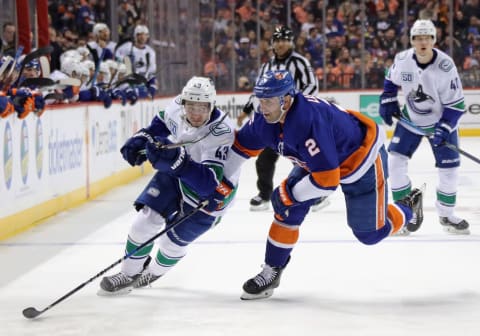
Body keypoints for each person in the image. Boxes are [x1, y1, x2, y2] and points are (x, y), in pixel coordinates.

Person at [226, 69, 424, 300]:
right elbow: (240, 148)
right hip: (320, 162)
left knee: (370, 234)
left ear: (286, 99)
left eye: (268, 100)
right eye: (260, 100)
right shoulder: (264, 118)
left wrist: (290, 194)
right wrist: (221, 183)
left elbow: (326, 181)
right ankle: (273, 270)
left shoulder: (307, 121)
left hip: (361, 161)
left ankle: (408, 207)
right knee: (286, 210)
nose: (262, 107)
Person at [99, 76, 238, 294]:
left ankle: (154, 271)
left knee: (171, 243)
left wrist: (179, 164)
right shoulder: (176, 107)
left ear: (212, 105)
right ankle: (128, 274)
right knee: (144, 222)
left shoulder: (222, 132)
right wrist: (141, 139)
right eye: (191, 105)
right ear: (184, 103)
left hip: (212, 195)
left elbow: (210, 184)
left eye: (202, 107)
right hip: (178, 170)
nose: (196, 113)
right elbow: (160, 125)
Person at [379, 19, 469, 235]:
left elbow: (457, 105)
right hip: (411, 122)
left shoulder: (445, 67)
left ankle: (446, 215)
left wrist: (445, 127)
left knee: (450, 170)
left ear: (433, 40)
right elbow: (390, 80)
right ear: (412, 40)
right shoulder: (402, 59)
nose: (422, 42)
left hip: (440, 123)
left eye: (427, 37)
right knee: (395, 162)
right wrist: (388, 98)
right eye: (418, 38)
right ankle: (403, 213)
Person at [236, 26, 319, 211]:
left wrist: (295, 107)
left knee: (302, 157)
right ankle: (264, 195)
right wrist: (246, 111)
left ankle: (317, 192)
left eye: (285, 40)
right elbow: (259, 92)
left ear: (291, 42)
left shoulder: (301, 62)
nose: (281, 43)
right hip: (273, 121)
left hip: (295, 120)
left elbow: (312, 86)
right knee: (264, 159)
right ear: (272, 43)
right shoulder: (267, 66)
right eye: (277, 40)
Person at [115, 24, 157, 99]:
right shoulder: (125, 48)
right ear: (135, 36)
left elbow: (151, 73)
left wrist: (152, 86)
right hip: (127, 83)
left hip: (142, 85)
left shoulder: (151, 52)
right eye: (140, 34)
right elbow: (118, 67)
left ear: (148, 36)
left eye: (145, 35)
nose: (143, 37)